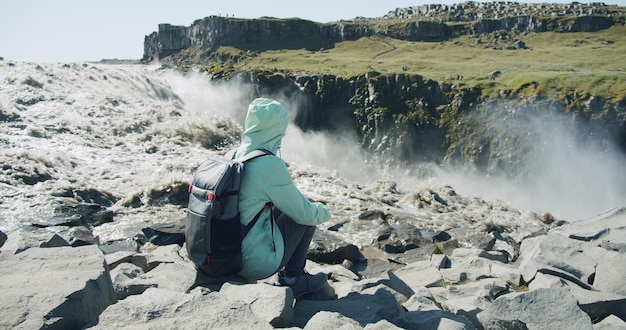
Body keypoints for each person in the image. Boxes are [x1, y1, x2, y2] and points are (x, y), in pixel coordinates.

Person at [234, 97, 331, 298]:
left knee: (277, 206)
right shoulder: (268, 165)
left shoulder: (234, 155)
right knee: (308, 210)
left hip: (225, 254)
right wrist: (324, 212)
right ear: (276, 129)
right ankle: (294, 279)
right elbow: (304, 213)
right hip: (252, 263)